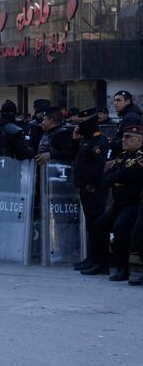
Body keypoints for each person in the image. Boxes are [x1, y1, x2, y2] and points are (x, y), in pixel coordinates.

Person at [82, 124, 143, 281]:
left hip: (133, 203)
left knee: (120, 228)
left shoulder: (140, 157)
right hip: (119, 202)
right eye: (123, 137)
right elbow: (107, 177)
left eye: (128, 138)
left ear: (139, 140)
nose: (124, 140)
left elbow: (130, 174)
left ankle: (123, 270)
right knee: (99, 225)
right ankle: (100, 264)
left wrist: (117, 178)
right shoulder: (122, 156)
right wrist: (117, 179)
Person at [73, 108, 110, 272]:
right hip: (85, 187)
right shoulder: (86, 139)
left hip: (93, 189)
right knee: (90, 225)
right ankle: (91, 258)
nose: (79, 125)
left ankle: (99, 262)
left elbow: (97, 166)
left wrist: (91, 183)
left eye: (82, 122)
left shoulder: (98, 140)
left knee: (97, 225)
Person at [111, 90, 143, 157]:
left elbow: (129, 141)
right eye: (114, 100)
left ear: (127, 102)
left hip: (128, 156)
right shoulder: (126, 115)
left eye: (118, 100)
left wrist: (111, 144)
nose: (115, 103)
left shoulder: (131, 117)